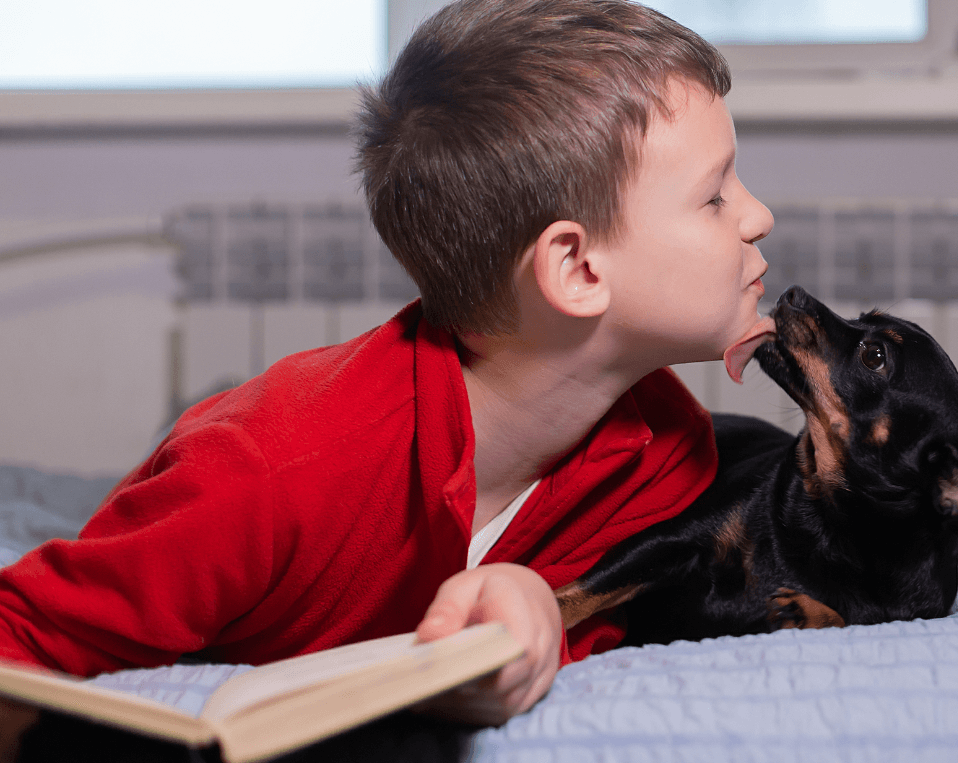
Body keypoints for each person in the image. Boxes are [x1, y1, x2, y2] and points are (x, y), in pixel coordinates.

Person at [0, 0, 775, 747]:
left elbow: (585, 628)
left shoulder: (670, 455)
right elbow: (23, 634)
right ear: (574, 268)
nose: (757, 216)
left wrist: (538, 611)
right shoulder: (266, 469)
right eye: (715, 195)